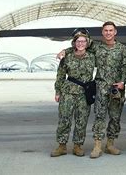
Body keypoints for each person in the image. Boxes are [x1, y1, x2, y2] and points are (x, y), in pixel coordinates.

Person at [58, 21, 126, 158]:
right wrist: (65, 51)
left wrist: (123, 82)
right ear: (102, 32)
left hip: (116, 88)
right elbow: (79, 45)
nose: (108, 33)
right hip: (101, 87)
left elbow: (125, 68)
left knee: (115, 117)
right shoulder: (96, 47)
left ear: (115, 32)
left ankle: (110, 144)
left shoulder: (123, 49)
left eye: (111, 30)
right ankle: (97, 146)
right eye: (105, 31)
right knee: (99, 116)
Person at [51, 28, 95, 157]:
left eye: (83, 41)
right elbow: (60, 75)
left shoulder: (92, 56)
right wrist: (58, 91)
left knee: (81, 120)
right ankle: (62, 146)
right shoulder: (67, 56)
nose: (80, 44)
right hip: (68, 92)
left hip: (84, 93)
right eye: (78, 41)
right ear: (74, 43)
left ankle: (77, 146)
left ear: (87, 42)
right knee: (64, 119)